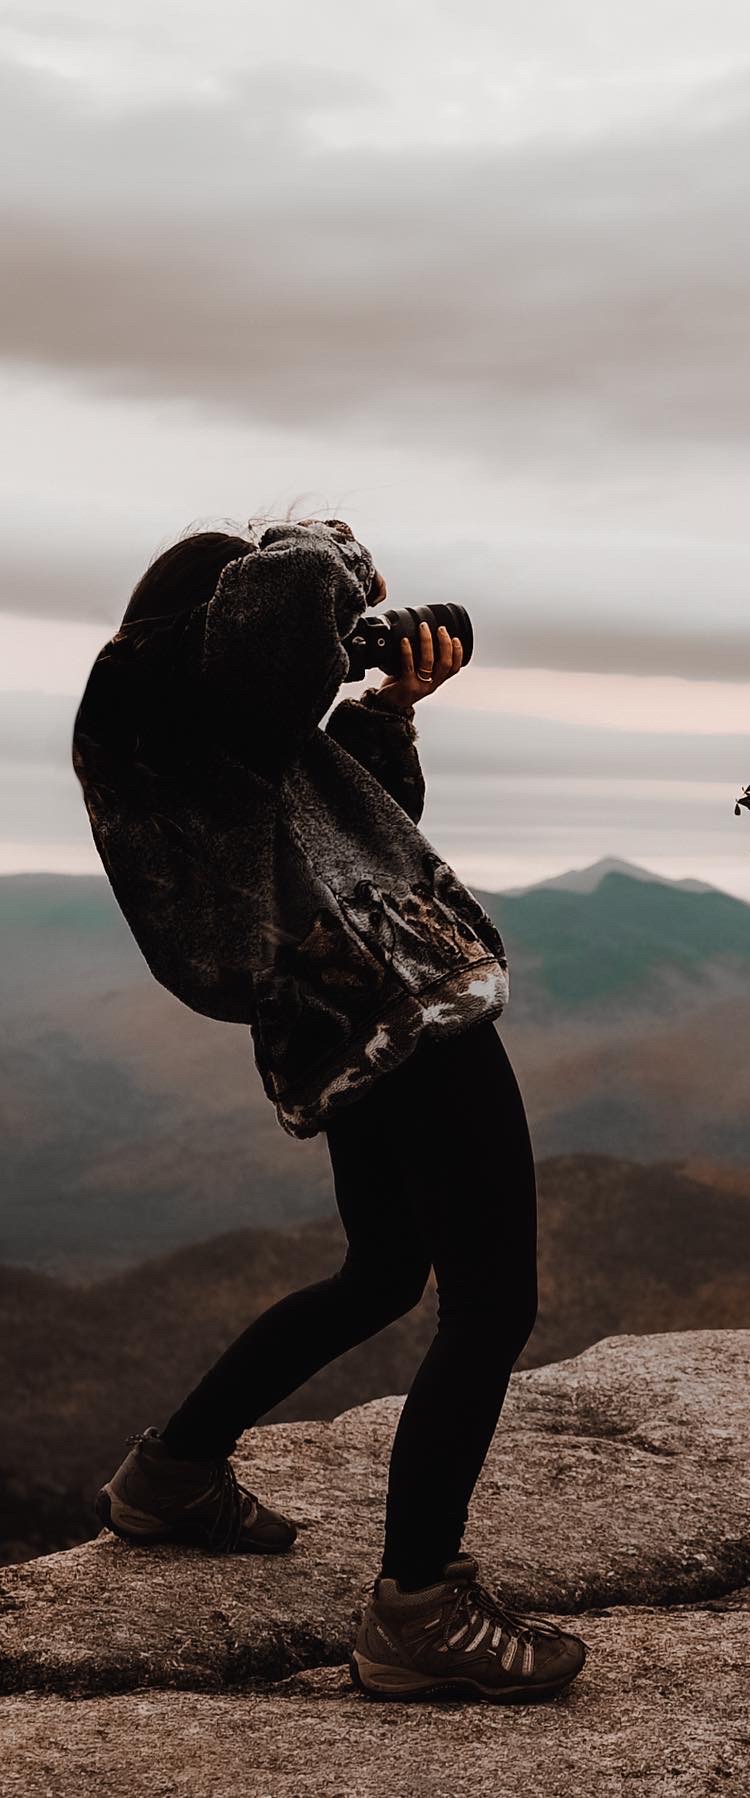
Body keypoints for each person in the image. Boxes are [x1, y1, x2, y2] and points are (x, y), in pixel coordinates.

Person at [72, 518, 587, 1704]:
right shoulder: (154, 689)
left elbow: (369, 824)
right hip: (401, 1013)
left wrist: (389, 703)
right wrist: (344, 571)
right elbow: (295, 580)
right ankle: (418, 1604)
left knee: (383, 1270)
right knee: (493, 1299)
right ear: (221, 617)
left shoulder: (208, 733)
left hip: (346, 1015)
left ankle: (173, 1472)